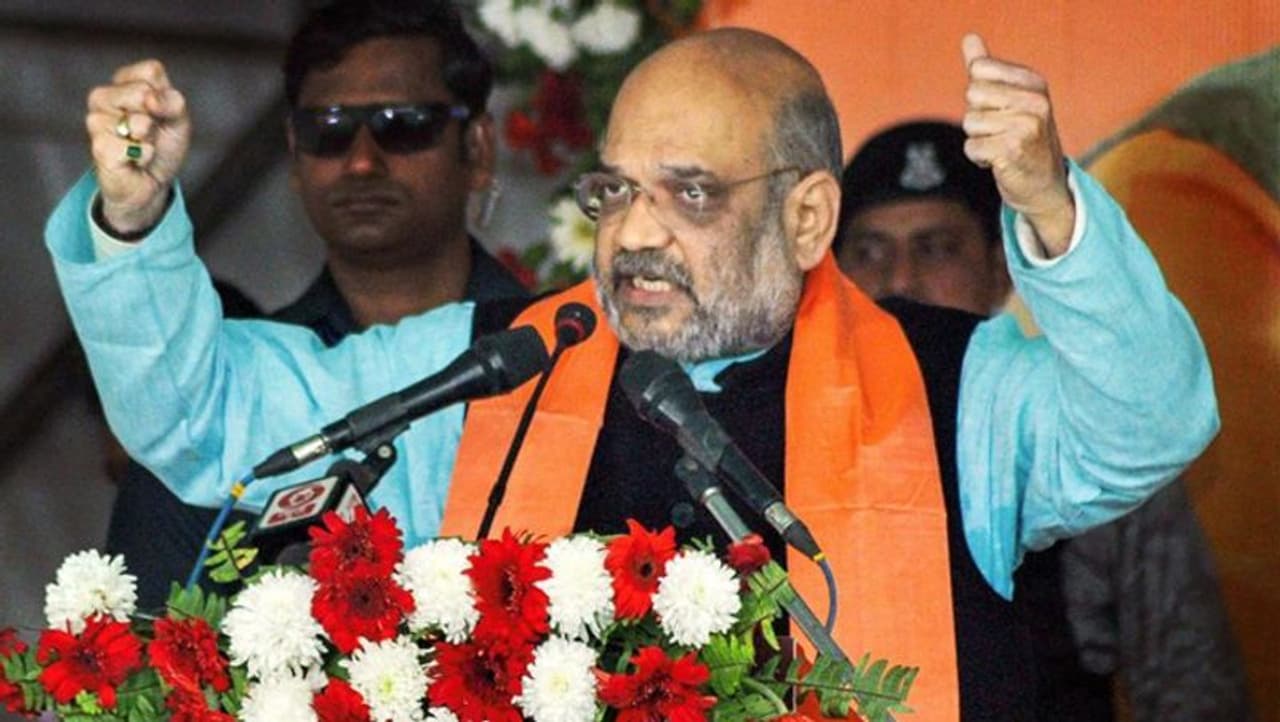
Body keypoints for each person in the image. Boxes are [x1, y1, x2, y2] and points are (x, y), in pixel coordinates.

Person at [47, 26, 1218, 721]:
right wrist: (132, 222)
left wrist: (1052, 211)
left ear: (808, 216)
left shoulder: (951, 386)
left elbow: (1148, 420)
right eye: (615, 191)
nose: (634, 234)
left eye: (689, 191)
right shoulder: (501, 366)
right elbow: (207, 424)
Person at [101, 0, 530, 609]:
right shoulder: (226, 399)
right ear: (294, 153)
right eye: (327, 129)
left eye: (402, 124)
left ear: (478, 148)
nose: (361, 161)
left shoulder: (559, 355)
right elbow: (149, 642)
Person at [835, 120, 1251, 721]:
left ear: (1001, 268)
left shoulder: (1092, 446)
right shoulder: (792, 430)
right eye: (869, 252)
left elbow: (1192, 688)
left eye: (937, 247)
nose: (900, 280)